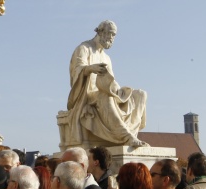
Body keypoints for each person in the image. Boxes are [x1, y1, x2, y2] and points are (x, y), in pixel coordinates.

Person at [61, 20, 148, 148]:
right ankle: (126, 136)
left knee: (140, 94)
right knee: (105, 96)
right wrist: (90, 68)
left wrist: (118, 90)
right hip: (88, 96)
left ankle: (132, 133)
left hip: (106, 91)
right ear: (100, 32)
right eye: (110, 34)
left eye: (114, 35)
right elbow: (77, 71)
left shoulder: (107, 58)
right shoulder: (84, 49)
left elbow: (110, 80)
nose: (111, 38)